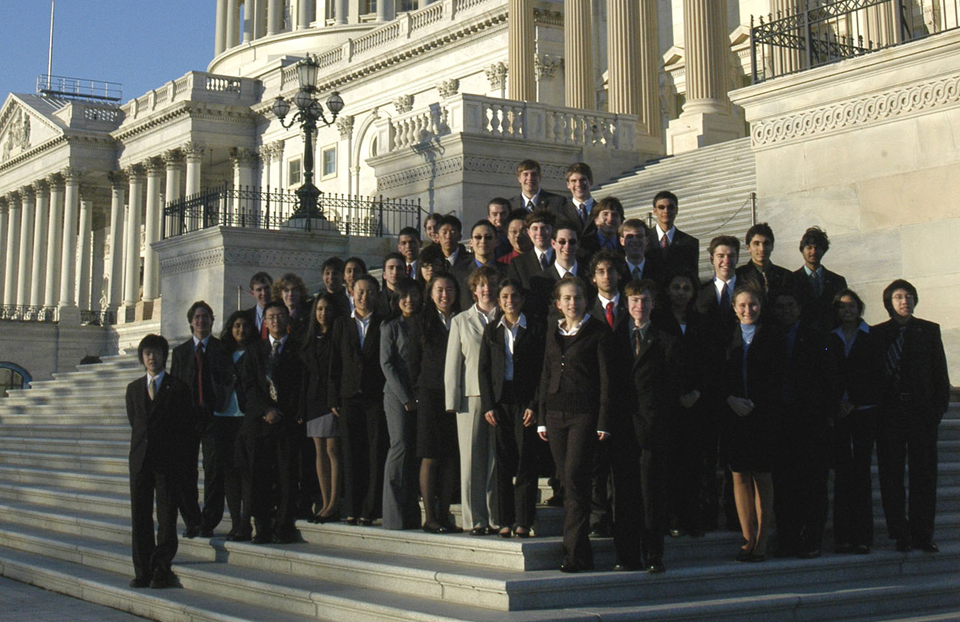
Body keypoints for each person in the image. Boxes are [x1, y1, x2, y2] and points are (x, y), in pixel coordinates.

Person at [537, 276, 614, 572]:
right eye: (567, 298)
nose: (573, 303)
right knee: (568, 482)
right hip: (555, 415)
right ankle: (581, 552)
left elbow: (606, 380)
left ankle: (573, 554)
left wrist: (603, 420)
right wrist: (542, 417)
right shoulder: (553, 331)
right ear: (558, 303)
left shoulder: (598, 332)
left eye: (577, 297)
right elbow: (546, 374)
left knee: (574, 478)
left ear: (586, 301)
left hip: (584, 415)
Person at [873, 279, 950, 553]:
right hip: (889, 415)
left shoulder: (928, 330)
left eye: (908, 296)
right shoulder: (877, 333)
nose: (904, 301)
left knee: (924, 476)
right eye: (898, 297)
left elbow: (940, 373)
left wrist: (937, 410)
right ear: (888, 302)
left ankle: (922, 534)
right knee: (891, 475)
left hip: (921, 414)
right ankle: (900, 533)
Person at [610, 278, 675, 573]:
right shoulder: (615, 338)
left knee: (652, 493)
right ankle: (626, 555)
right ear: (626, 304)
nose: (640, 305)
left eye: (645, 300)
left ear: (653, 304)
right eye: (635, 300)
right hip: (623, 425)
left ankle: (652, 555)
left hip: (652, 426)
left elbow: (672, 384)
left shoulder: (665, 339)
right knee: (624, 492)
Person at [721, 286, 785, 562]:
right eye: (743, 305)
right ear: (734, 308)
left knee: (762, 476)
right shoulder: (725, 335)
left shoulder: (773, 335)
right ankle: (747, 538)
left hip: (764, 415)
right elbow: (717, 372)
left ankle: (762, 540)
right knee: (739, 474)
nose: (748, 310)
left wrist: (758, 403)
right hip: (734, 414)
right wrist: (730, 399)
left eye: (753, 304)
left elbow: (779, 375)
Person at [479, 279, 545, 538]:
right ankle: (504, 519)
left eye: (515, 296)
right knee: (503, 462)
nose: (510, 301)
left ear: (522, 299)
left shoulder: (535, 328)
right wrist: (488, 405)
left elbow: (542, 370)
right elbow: (483, 370)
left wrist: (534, 404)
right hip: (500, 402)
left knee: (526, 461)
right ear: (499, 300)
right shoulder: (491, 330)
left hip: (525, 402)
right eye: (505, 296)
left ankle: (524, 521)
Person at [126, 334, 192, 589]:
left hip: (167, 461)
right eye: (147, 353)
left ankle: (161, 569)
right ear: (142, 358)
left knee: (166, 517)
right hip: (141, 460)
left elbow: (185, 427)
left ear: (164, 356)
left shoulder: (178, 388)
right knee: (140, 517)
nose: (152, 358)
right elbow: (135, 421)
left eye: (156, 353)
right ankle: (142, 570)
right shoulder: (133, 389)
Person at [770, 290, 829, 559]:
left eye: (790, 305)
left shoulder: (816, 337)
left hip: (809, 421)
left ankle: (812, 537)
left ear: (799, 308)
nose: (785, 311)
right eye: (780, 306)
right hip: (779, 420)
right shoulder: (768, 337)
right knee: (784, 483)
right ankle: (788, 537)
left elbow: (828, 376)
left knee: (812, 483)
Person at [239, 301, 304, 544]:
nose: (275, 320)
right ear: (264, 322)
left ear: (287, 319)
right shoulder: (254, 351)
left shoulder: (298, 350)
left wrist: (284, 412)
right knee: (260, 478)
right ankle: (262, 526)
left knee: (287, 477)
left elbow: (301, 385)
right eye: (271, 317)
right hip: (260, 424)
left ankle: (283, 526)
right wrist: (265, 410)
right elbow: (248, 385)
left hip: (287, 423)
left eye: (280, 316)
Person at [824, 288, 884, 554]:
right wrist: (837, 403)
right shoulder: (830, 338)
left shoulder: (873, 337)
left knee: (861, 473)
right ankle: (843, 536)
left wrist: (855, 402)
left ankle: (862, 536)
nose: (847, 310)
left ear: (859, 308)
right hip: (839, 412)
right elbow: (826, 375)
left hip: (864, 411)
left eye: (851, 306)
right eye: (842, 306)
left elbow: (878, 375)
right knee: (842, 474)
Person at [445, 265, 501, 535]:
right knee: (471, 460)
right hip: (471, 396)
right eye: (481, 285)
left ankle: (496, 516)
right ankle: (474, 519)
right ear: (474, 290)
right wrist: (452, 400)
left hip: (500, 395)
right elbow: (453, 363)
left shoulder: (506, 316)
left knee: (496, 460)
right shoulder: (460, 320)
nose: (486, 289)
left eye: (491, 284)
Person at [169, 301, 233, 539]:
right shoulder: (180, 353)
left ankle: (209, 520)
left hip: (213, 417)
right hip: (187, 418)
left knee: (214, 470)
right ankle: (192, 520)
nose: (201, 321)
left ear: (212, 321)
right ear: (190, 322)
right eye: (197, 317)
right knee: (186, 472)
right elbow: (174, 387)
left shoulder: (221, 349)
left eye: (205, 316)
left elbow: (228, 382)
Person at [654, 270, 709, 539]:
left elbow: (708, 361)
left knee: (693, 463)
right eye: (676, 287)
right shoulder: (658, 321)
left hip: (696, 403)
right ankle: (671, 516)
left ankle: (691, 516)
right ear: (667, 290)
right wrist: (674, 394)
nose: (681, 292)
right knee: (669, 463)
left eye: (687, 288)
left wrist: (697, 391)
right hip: (667, 403)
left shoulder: (701, 322)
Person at [328, 274, 387, 525]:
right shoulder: (342, 323)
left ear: (377, 295)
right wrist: (333, 396)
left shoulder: (384, 323)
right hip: (349, 396)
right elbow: (334, 361)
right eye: (360, 292)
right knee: (351, 453)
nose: (364, 297)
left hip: (376, 397)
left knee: (375, 452)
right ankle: (352, 508)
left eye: (370, 292)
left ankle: (370, 509)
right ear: (352, 293)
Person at [586, 250, 628, 537]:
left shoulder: (632, 306)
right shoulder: (587, 310)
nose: (606, 276)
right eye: (600, 271)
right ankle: (599, 518)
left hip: (626, 397)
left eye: (611, 270)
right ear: (593, 278)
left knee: (623, 463)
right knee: (596, 463)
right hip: (594, 396)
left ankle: (622, 516)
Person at [417, 274, 462, 533]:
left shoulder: (462, 318)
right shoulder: (422, 321)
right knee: (430, 455)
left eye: (449, 289)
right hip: (430, 394)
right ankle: (430, 516)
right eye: (439, 290)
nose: (445, 295)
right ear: (431, 293)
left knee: (451, 456)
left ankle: (444, 514)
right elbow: (413, 360)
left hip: (455, 393)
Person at [380, 278, 424, 530]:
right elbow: (387, 364)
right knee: (400, 447)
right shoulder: (390, 326)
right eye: (404, 296)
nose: (409, 300)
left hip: (421, 394)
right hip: (397, 396)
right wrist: (405, 397)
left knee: (415, 452)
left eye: (414, 295)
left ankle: (411, 513)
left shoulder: (423, 322)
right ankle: (392, 515)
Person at [299, 293, 345, 524]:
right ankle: (325, 502)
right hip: (314, 400)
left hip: (332, 399)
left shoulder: (338, 335)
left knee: (332, 449)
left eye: (327, 309)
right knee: (319, 451)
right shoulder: (309, 338)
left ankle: (334, 502)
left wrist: (335, 398)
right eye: (319, 309)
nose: (323, 313)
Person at [213, 310, 255, 542]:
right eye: (236, 325)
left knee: (246, 471)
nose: (241, 330)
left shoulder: (256, 351)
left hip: (246, 417)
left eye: (245, 325)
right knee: (230, 472)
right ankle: (235, 522)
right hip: (224, 416)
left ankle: (246, 521)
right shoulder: (221, 354)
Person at [792, 226, 847, 331]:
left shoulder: (837, 281)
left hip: (831, 335)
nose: (813, 252)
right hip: (801, 335)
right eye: (809, 248)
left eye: (817, 248)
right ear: (802, 250)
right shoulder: (791, 279)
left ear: (823, 250)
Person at [735, 223, 794, 302]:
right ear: (748, 248)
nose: (762, 249)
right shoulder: (738, 276)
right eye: (756, 244)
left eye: (766, 243)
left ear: (772, 246)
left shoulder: (786, 276)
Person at [646, 191, 699, 278]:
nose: (666, 211)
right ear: (654, 211)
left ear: (676, 210)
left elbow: (693, 277)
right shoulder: (644, 239)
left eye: (670, 207)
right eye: (661, 207)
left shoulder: (690, 243)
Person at [452, 219, 503, 309]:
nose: (483, 241)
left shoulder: (506, 272)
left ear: (496, 242)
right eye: (478, 237)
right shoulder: (458, 273)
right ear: (471, 242)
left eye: (488, 237)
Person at [506, 210, 555, 290]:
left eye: (544, 228)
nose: (540, 233)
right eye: (535, 229)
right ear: (528, 232)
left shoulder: (563, 257)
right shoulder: (518, 263)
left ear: (552, 230)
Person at [578, 197, 624, 265]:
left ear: (621, 221)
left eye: (615, 215)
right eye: (605, 214)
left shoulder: (626, 245)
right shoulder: (583, 245)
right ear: (596, 220)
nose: (610, 219)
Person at [273, 272, 311, 339]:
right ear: (280, 294)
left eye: (294, 290)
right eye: (286, 290)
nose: (290, 294)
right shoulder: (275, 316)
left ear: (300, 292)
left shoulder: (309, 314)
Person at [563, 162, 596, 234]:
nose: (578, 184)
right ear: (568, 185)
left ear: (590, 182)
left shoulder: (600, 210)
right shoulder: (561, 212)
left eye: (583, 180)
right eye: (574, 181)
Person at [244, 272, 273, 340]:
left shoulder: (282, 314)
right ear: (252, 293)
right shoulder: (246, 317)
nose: (264, 293)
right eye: (259, 290)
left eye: (267, 288)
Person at [377, 252, 406, 317]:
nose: (395, 272)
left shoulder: (411, 298)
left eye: (399, 268)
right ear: (384, 275)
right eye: (391, 268)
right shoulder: (376, 299)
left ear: (405, 273)